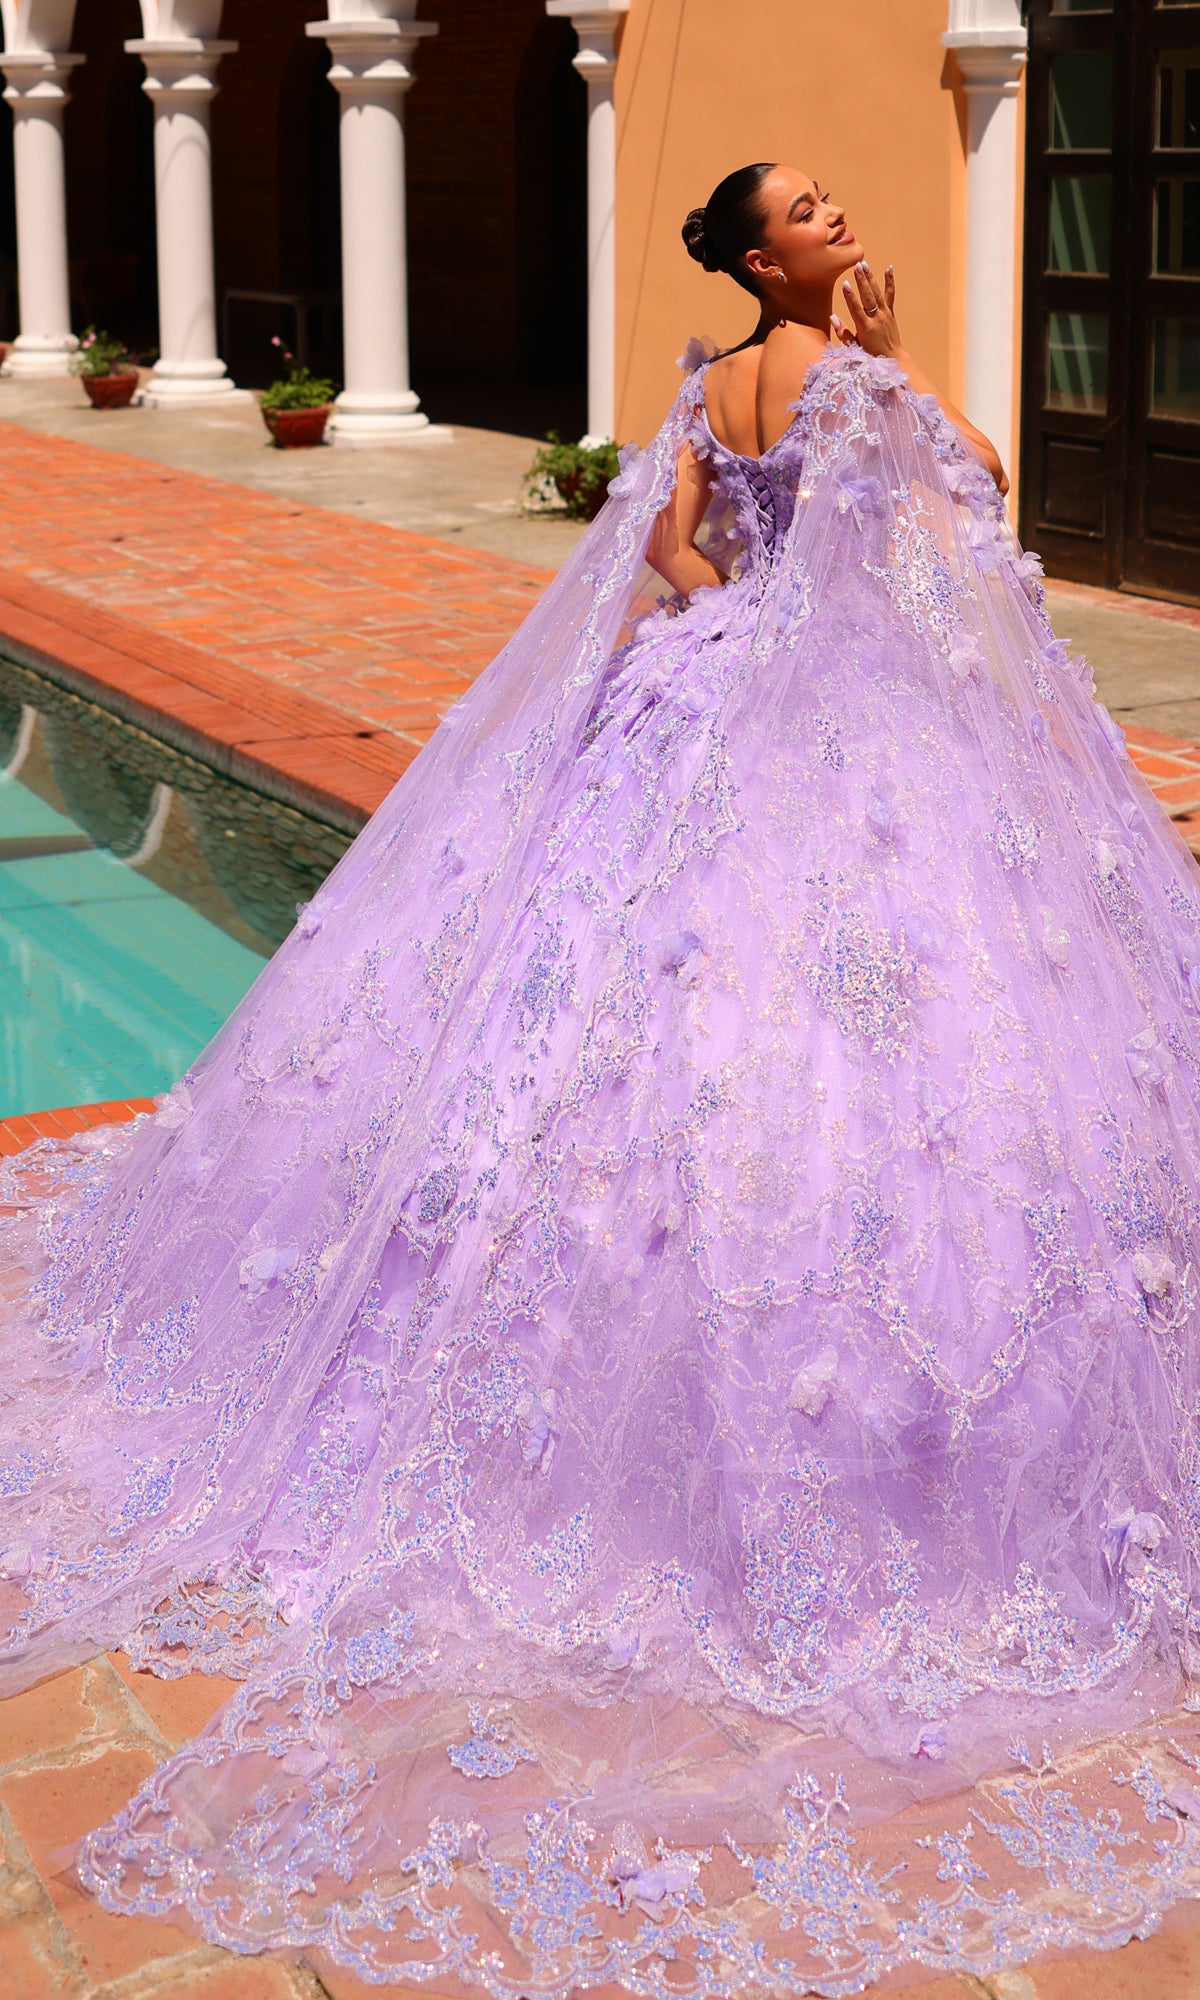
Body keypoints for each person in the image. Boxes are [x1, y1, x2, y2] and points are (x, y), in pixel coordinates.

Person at [4, 160, 1200, 1997]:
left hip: (696, 699)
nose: (839, 217)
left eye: (830, 198)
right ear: (764, 254)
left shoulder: (702, 384)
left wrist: (745, 606)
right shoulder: (846, 377)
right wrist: (889, 369)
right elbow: (980, 483)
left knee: (586, 1026)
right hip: (834, 743)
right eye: (810, 211)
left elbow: (671, 554)